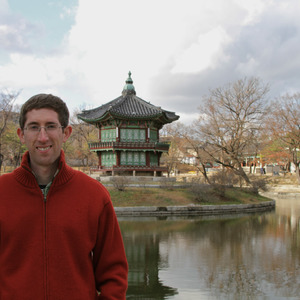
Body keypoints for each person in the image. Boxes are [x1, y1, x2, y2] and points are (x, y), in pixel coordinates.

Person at [0, 94, 128, 299]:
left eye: (51, 126)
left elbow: (113, 272)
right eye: (34, 127)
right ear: (21, 135)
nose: (43, 137)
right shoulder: (2, 192)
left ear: (66, 133)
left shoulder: (93, 195)